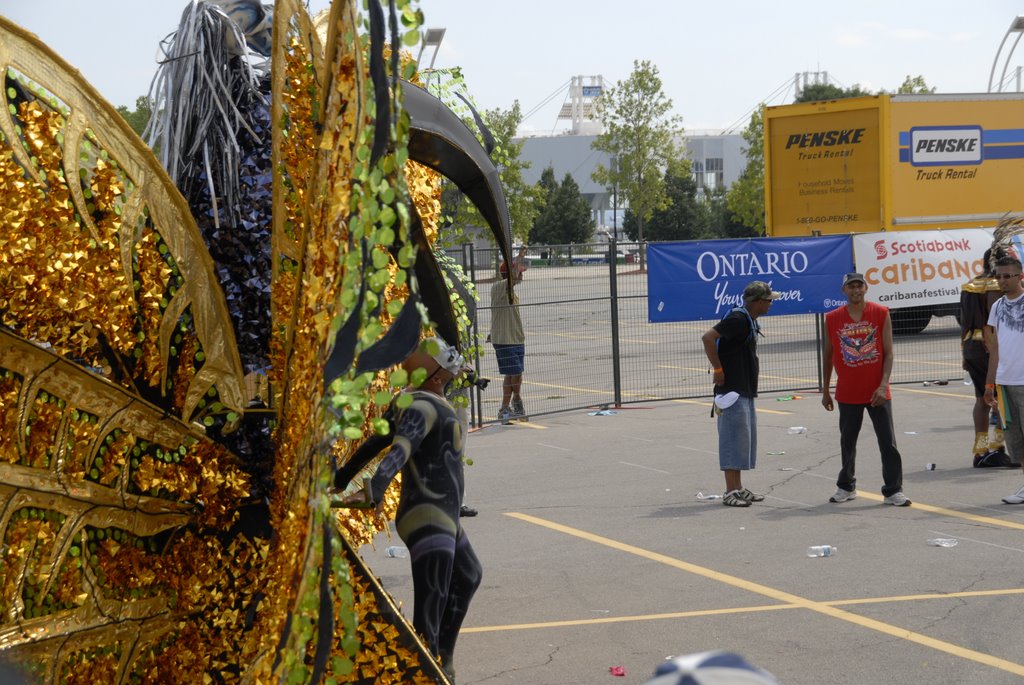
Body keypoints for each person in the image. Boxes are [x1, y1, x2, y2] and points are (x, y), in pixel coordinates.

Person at [334, 337, 482, 678]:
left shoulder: (415, 401)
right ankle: (423, 671)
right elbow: (400, 448)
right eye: (448, 364)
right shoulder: (421, 406)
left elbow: (375, 442)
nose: (455, 365)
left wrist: (342, 477)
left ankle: (442, 660)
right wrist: (377, 488)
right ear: (434, 377)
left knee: (469, 576)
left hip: (442, 517)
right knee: (430, 610)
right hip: (428, 517)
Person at [821, 272, 910, 506]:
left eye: (859, 285)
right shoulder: (832, 318)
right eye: (850, 286)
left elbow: (889, 352)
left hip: (877, 392)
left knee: (887, 442)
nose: (855, 290)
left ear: (865, 288)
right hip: (848, 391)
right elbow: (828, 355)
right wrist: (825, 390)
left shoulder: (880, 313)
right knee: (847, 441)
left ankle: (893, 490)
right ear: (844, 291)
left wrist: (883, 385)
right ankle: (846, 486)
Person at [700, 281, 779, 507]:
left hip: (743, 389)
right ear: (758, 302)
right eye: (769, 300)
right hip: (731, 392)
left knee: (742, 440)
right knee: (732, 440)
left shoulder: (748, 319)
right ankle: (729, 491)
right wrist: (718, 368)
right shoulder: (738, 320)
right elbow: (708, 337)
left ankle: (738, 487)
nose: (771, 304)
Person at [960, 250, 1013, 467]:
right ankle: (998, 447)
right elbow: (995, 319)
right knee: (1001, 399)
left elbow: (963, 321)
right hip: (989, 347)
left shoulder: (969, 285)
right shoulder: (994, 286)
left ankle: (980, 449)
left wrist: (963, 352)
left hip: (971, 345)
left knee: (981, 400)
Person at [984, 254, 1024, 504]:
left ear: (1020, 276)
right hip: (1005, 382)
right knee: (1015, 439)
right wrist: (990, 383)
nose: (1002, 280)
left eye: (1007, 276)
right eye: (999, 276)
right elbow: (995, 348)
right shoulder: (997, 306)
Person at [490, 260, 526, 424]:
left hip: (516, 337)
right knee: (515, 373)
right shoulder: (499, 288)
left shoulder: (512, 291)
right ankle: (512, 404)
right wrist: (519, 256)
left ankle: (508, 408)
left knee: (513, 374)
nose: (521, 275)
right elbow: (512, 277)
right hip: (504, 339)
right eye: (519, 272)